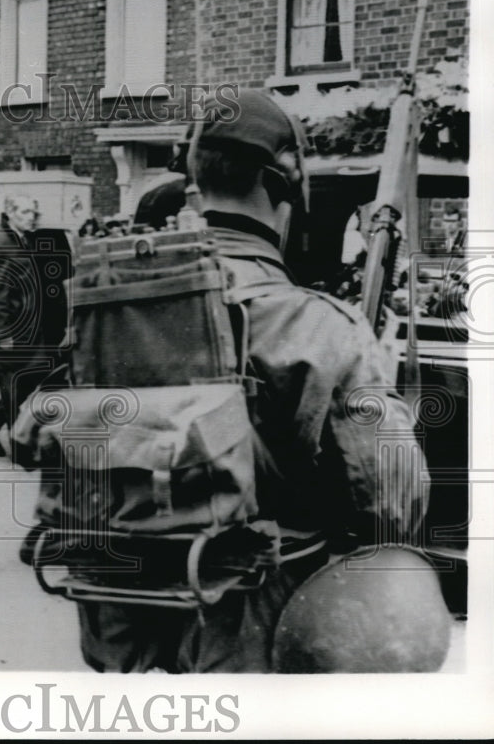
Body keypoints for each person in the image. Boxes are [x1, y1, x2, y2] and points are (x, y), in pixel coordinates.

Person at [65, 89, 429, 673]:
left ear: (192, 178)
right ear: (286, 184)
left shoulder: (105, 310)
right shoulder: (322, 326)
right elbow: (388, 506)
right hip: (263, 628)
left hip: (126, 626)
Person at [0, 194, 63, 457]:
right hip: (11, 332)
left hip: (29, 329)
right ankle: (21, 451)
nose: (31, 216)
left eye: (33, 212)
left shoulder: (21, 238)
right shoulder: (0, 243)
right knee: (13, 389)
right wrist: (2, 335)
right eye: (25, 212)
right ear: (10, 213)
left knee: (35, 374)